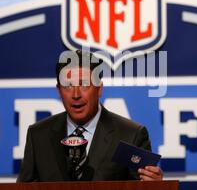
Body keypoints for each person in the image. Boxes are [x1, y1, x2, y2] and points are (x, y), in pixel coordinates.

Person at [17, 49, 163, 182]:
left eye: (84, 85)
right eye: (68, 85)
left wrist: (155, 188)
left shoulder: (130, 135)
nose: (75, 95)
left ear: (99, 89)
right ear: (59, 91)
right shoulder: (38, 135)